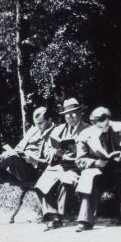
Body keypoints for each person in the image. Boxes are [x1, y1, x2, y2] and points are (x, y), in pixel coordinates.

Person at [73, 107, 121, 232]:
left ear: (109, 119)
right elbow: (80, 161)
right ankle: (85, 221)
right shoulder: (85, 135)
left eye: (106, 125)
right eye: (99, 127)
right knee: (89, 177)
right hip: (98, 170)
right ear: (92, 123)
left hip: (118, 168)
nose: (104, 129)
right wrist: (97, 162)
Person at [34, 98, 90, 231]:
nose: (69, 117)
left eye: (73, 113)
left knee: (67, 181)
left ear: (80, 112)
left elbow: (95, 151)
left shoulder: (88, 129)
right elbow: (47, 151)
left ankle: (58, 216)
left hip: (76, 166)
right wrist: (56, 153)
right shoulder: (58, 130)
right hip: (58, 165)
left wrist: (80, 151)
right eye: (67, 114)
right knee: (41, 185)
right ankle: (54, 216)